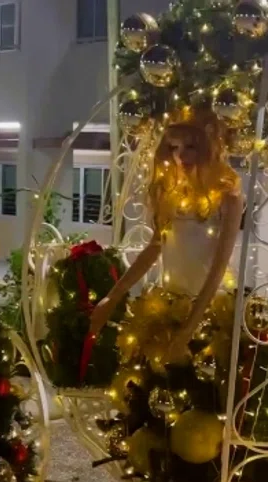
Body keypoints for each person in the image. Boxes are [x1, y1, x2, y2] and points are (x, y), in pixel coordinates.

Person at [87, 109, 243, 364]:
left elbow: (218, 268)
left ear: (208, 148)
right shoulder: (171, 193)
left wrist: (188, 330)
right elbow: (154, 248)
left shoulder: (228, 197)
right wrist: (112, 296)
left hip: (212, 311)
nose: (180, 155)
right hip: (169, 306)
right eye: (173, 147)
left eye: (190, 146)